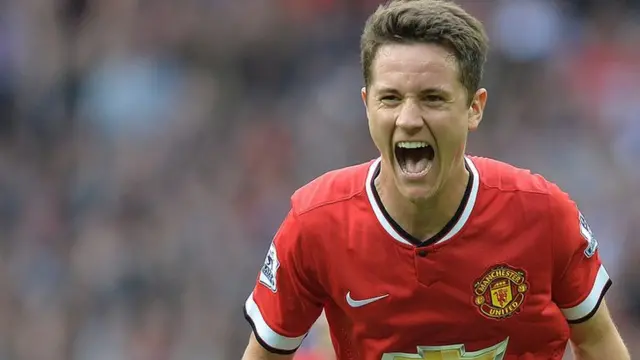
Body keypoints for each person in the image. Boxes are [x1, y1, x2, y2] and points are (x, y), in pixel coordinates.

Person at [241, 0, 630, 359]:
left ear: (474, 108)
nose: (409, 119)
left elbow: (597, 342)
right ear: (366, 105)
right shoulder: (314, 224)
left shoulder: (543, 214)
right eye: (390, 98)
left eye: (432, 98)